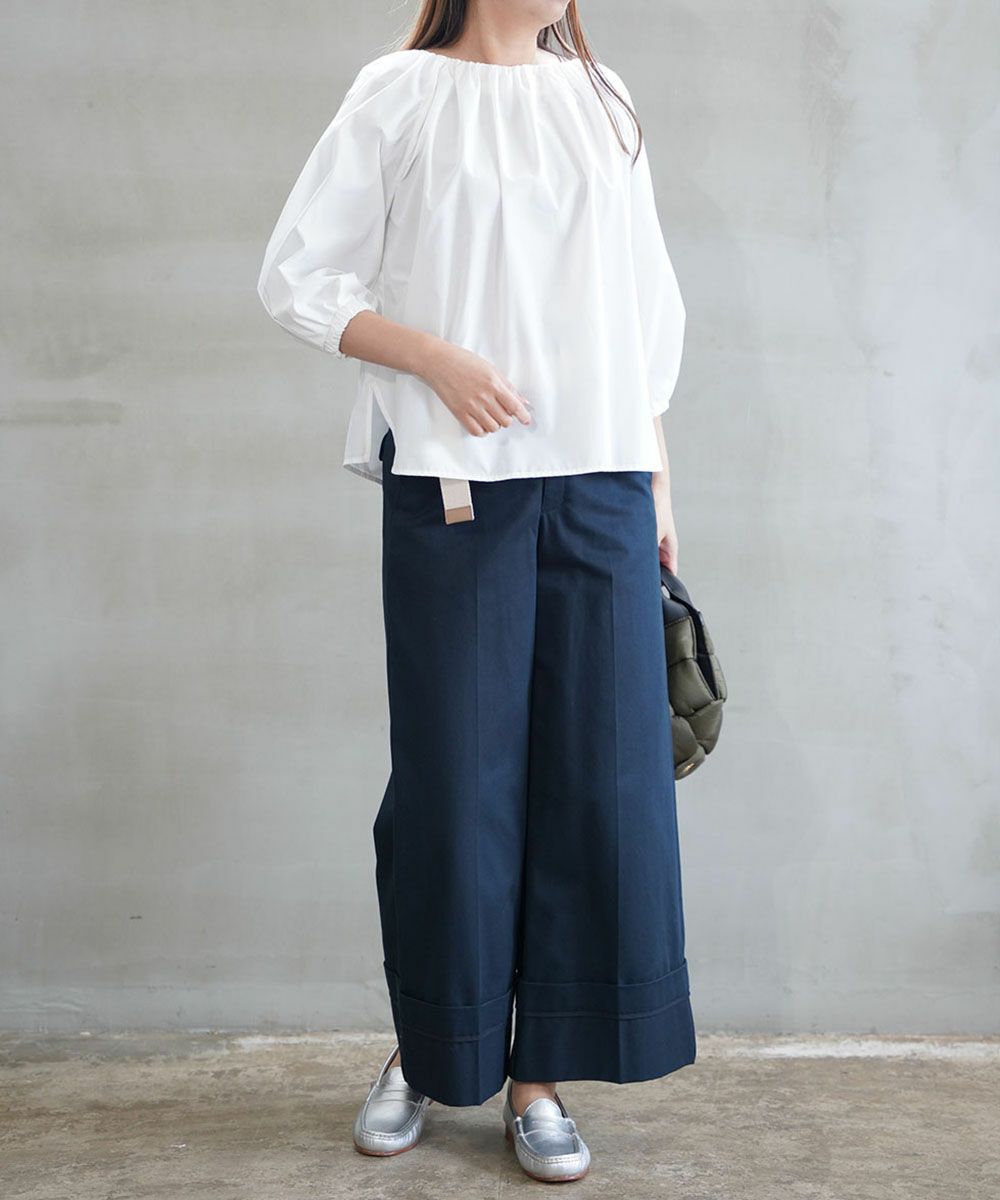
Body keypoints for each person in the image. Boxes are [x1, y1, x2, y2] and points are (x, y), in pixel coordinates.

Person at [256, 0, 695, 1182]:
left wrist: (657, 482)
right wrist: (435, 359)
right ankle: (430, 1046)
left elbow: (642, 305)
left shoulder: (601, 98)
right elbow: (296, 277)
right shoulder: (399, 93)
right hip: (454, 483)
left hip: (602, 478)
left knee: (598, 785)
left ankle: (540, 1076)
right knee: (455, 786)